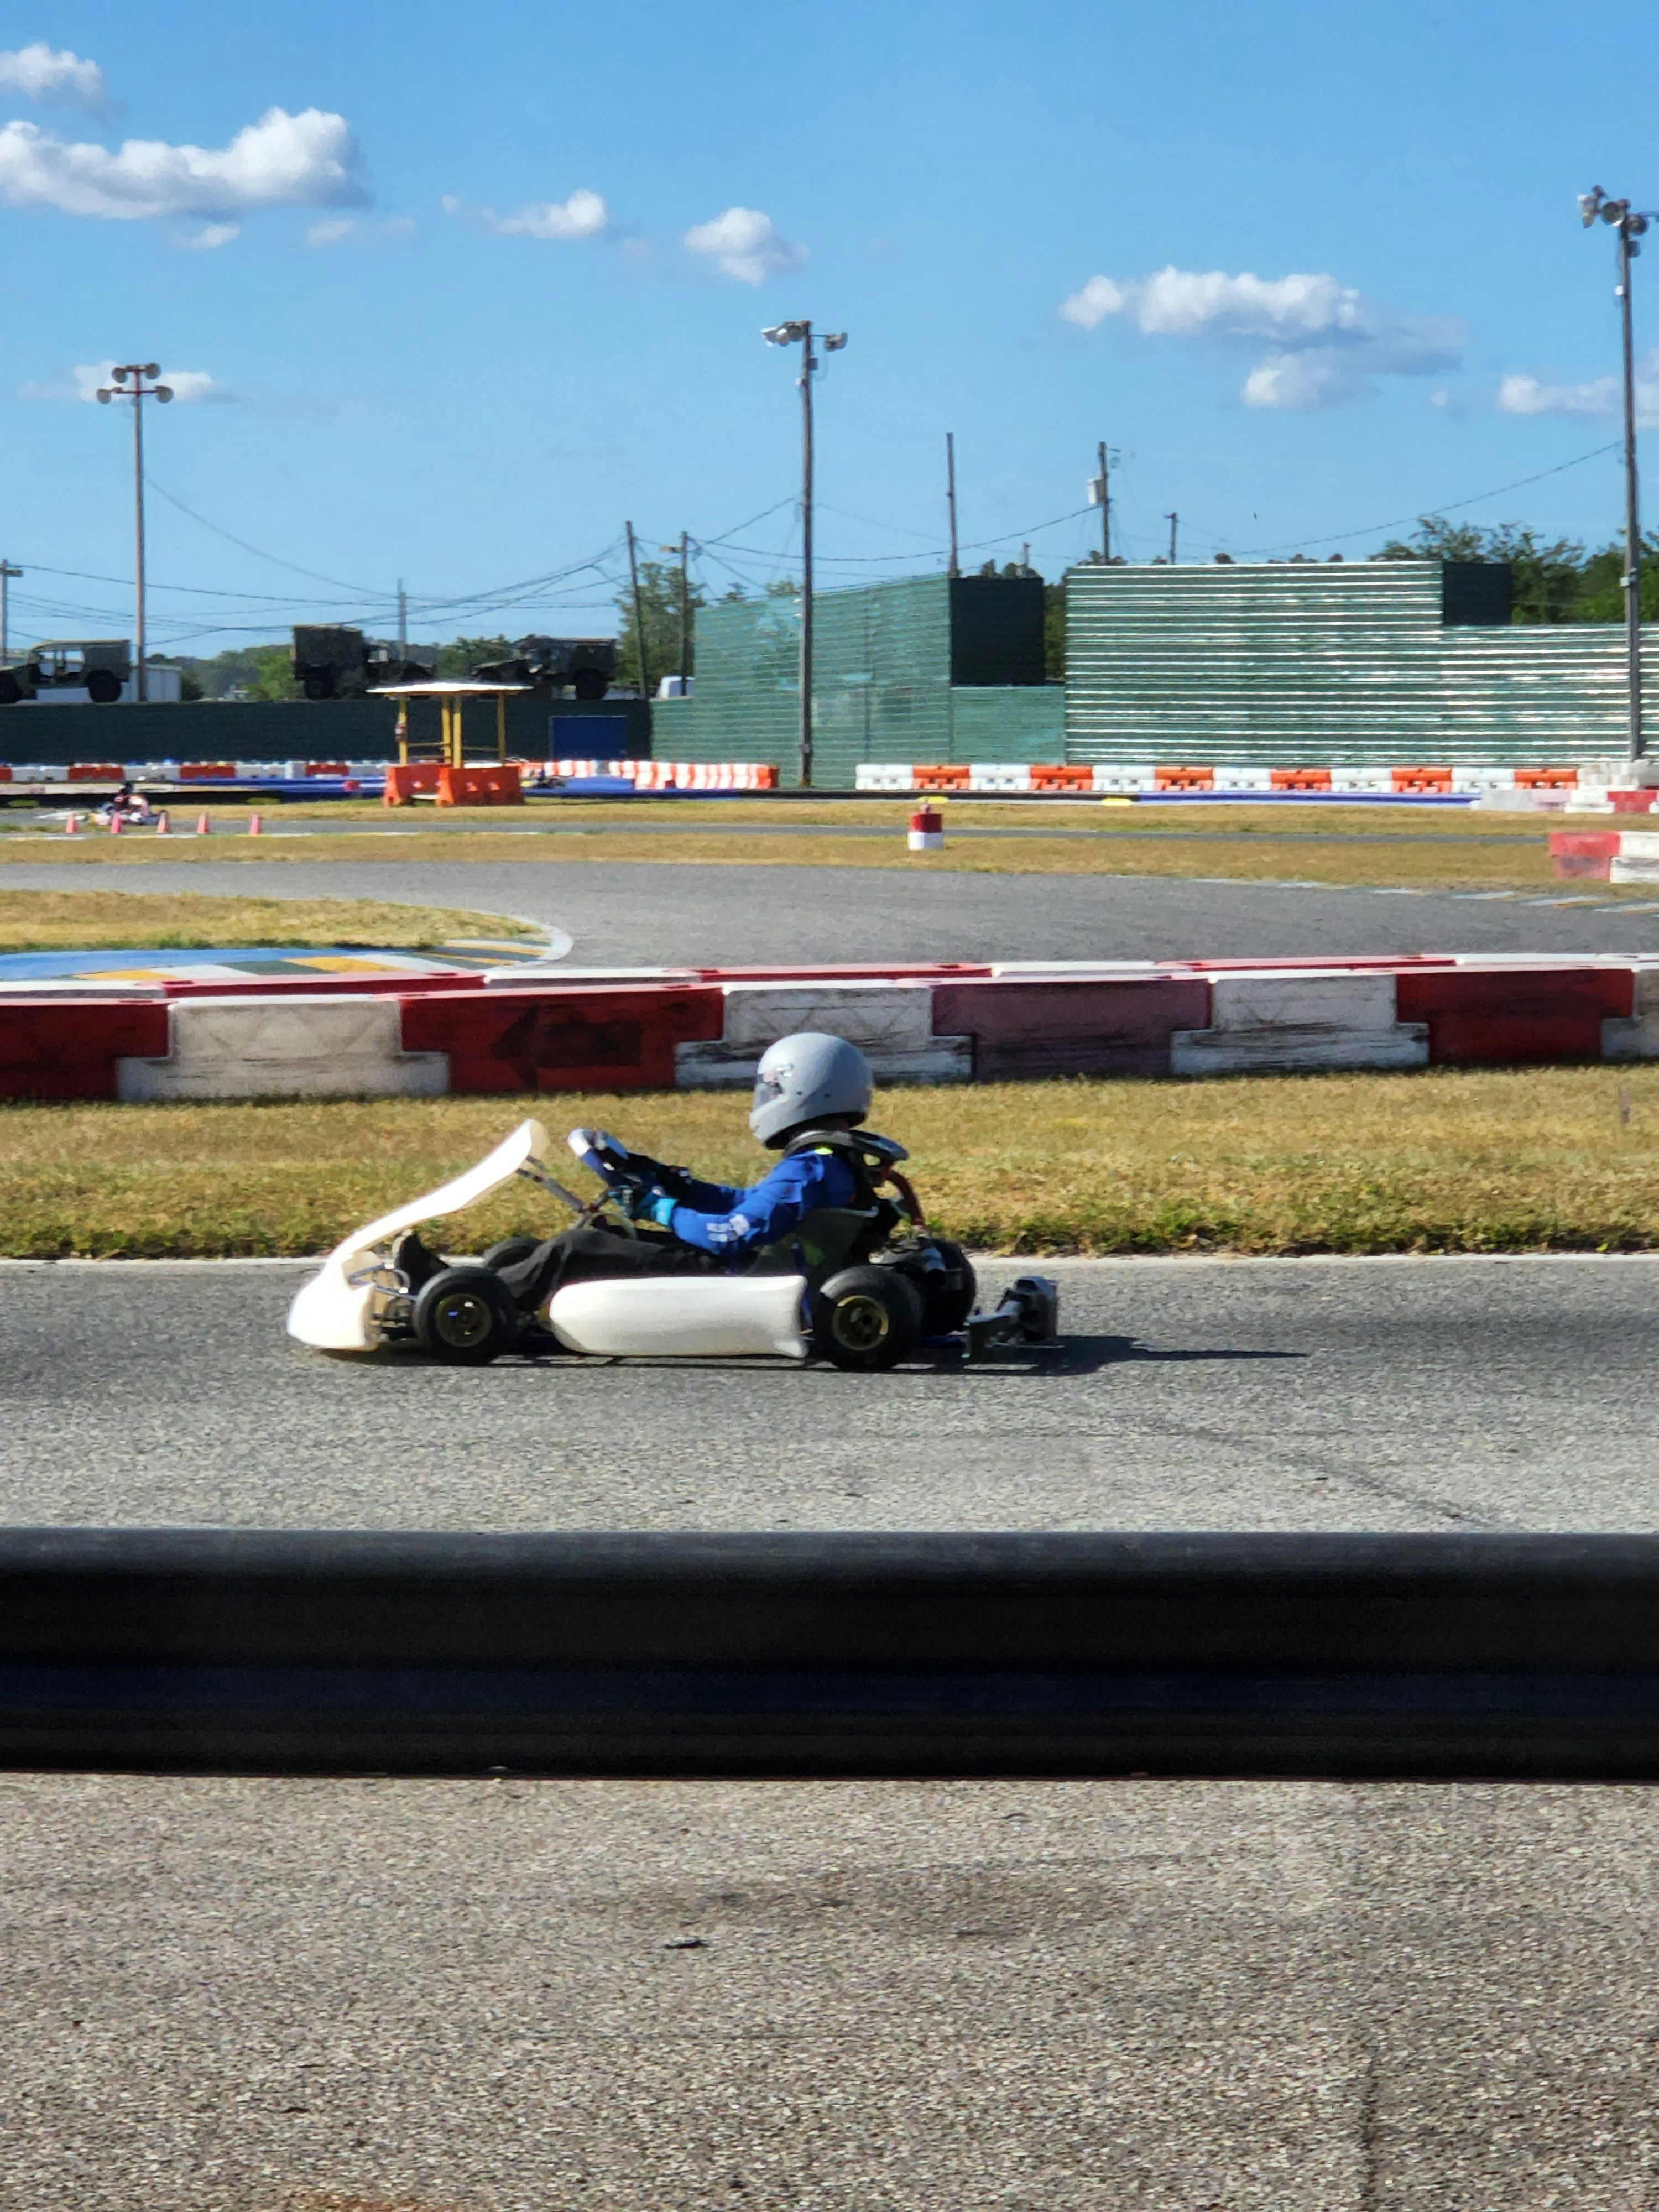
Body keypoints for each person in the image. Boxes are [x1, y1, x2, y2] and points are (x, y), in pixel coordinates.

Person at [399, 1033, 906, 1313]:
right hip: (759, 1263)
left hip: (738, 1276)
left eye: (771, 1092)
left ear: (803, 1093)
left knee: (580, 1248)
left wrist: (660, 1206)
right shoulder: (827, 1162)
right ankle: (477, 1283)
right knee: (592, 1238)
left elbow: (731, 1235)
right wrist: (675, 1182)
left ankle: (462, 1300)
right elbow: (747, 1204)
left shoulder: (809, 1169)